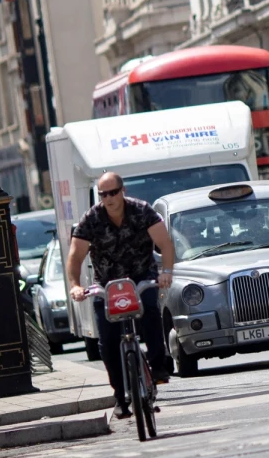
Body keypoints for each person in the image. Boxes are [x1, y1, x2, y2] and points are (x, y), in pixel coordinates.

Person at [67, 172, 175, 416]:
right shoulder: (91, 219)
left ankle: (158, 366)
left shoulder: (142, 210)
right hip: (106, 284)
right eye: (103, 194)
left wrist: (166, 272)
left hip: (141, 277)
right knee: (107, 342)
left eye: (113, 193)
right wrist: (75, 285)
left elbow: (166, 244)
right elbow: (75, 256)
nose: (109, 199)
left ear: (122, 191)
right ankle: (120, 397)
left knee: (149, 313)